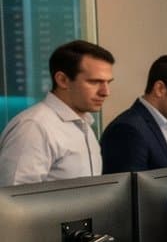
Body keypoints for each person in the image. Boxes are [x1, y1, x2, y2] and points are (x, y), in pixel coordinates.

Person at [0, 39, 113, 185]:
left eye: (108, 82)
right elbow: (13, 201)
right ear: (63, 80)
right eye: (94, 82)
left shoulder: (84, 124)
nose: (106, 92)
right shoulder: (34, 127)